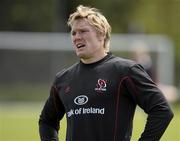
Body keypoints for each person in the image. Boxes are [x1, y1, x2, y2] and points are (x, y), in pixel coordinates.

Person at [39, 5, 174, 141]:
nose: (76, 37)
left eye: (83, 31)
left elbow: (162, 110)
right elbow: (46, 121)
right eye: (73, 33)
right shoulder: (63, 79)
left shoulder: (125, 71)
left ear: (101, 34)